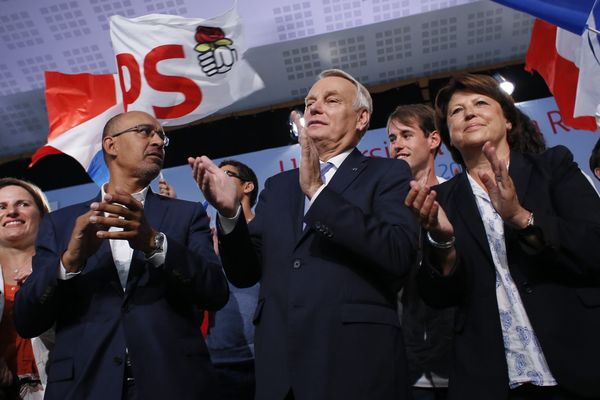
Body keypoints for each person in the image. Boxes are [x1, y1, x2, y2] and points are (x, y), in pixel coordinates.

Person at [188, 69, 419, 400]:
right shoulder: (279, 186)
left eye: (331, 100)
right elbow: (244, 272)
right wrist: (229, 214)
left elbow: (397, 253)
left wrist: (318, 193)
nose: (314, 107)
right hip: (282, 373)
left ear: (362, 118)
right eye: (310, 102)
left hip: (357, 365)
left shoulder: (387, 173)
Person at [405, 73, 600, 400]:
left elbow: (593, 246)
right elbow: (436, 298)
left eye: (480, 103)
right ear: (449, 137)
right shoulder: (440, 200)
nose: (468, 113)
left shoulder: (553, 166)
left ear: (508, 121)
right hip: (491, 378)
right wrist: (443, 242)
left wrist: (521, 218)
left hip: (579, 360)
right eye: (456, 111)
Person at [14, 111, 229, 400]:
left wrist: (155, 244)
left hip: (174, 382)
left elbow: (215, 292)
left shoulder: (187, 214)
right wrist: (68, 264)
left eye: (162, 137)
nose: (158, 141)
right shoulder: (61, 223)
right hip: (86, 386)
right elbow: (28, 321)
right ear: (111, 145)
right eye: (145, 132)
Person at [387, 104, 453, 400]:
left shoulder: (460, 195)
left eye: (405, 134)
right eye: (391, 138)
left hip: (465, 356)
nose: (396, 144)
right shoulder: (384, 208)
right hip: (410, 367)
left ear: (434, 140)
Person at [206, 160, 260, 400]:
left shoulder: (270, 230)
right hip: (220, 363)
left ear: (247, 186)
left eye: (226, 174)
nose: (219, 177)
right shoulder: (209, 238)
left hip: (268, 356)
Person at [0, 178, 52, 400]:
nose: (11, 212)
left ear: (43, 214)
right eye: (1, 207)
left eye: (23, 204)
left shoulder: (65, 267)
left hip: (62, 389)